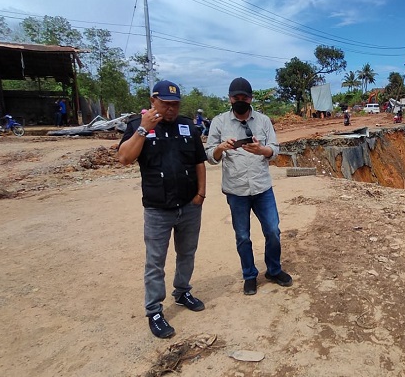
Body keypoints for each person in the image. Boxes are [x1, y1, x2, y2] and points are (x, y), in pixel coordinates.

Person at [117, 80, 208, 339]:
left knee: (187, 253)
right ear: (153, 101)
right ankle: (154, 311)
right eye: (166, 104)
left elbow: (199, 161)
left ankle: (182, 292)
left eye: (175, 104)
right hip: (158, 209)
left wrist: (201, 194)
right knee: (155, 262)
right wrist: (143, 129)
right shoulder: (137, 125)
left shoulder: (188, 126)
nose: (171, 109)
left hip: (189, 206)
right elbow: (124, 158)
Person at [205, 77, 292, 296]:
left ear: (251, 98)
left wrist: (262, 150)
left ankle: (274, 270)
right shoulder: (219, 122)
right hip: (236, 190)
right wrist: (220, 148)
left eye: (244, 97)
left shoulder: (263, 121)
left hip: (262, 188)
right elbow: (210, 156)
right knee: (243, 236)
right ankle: (250, 275)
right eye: (236, 97)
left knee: (273, 231)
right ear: (229, 98)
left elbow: (275, 150)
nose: (240, 101)